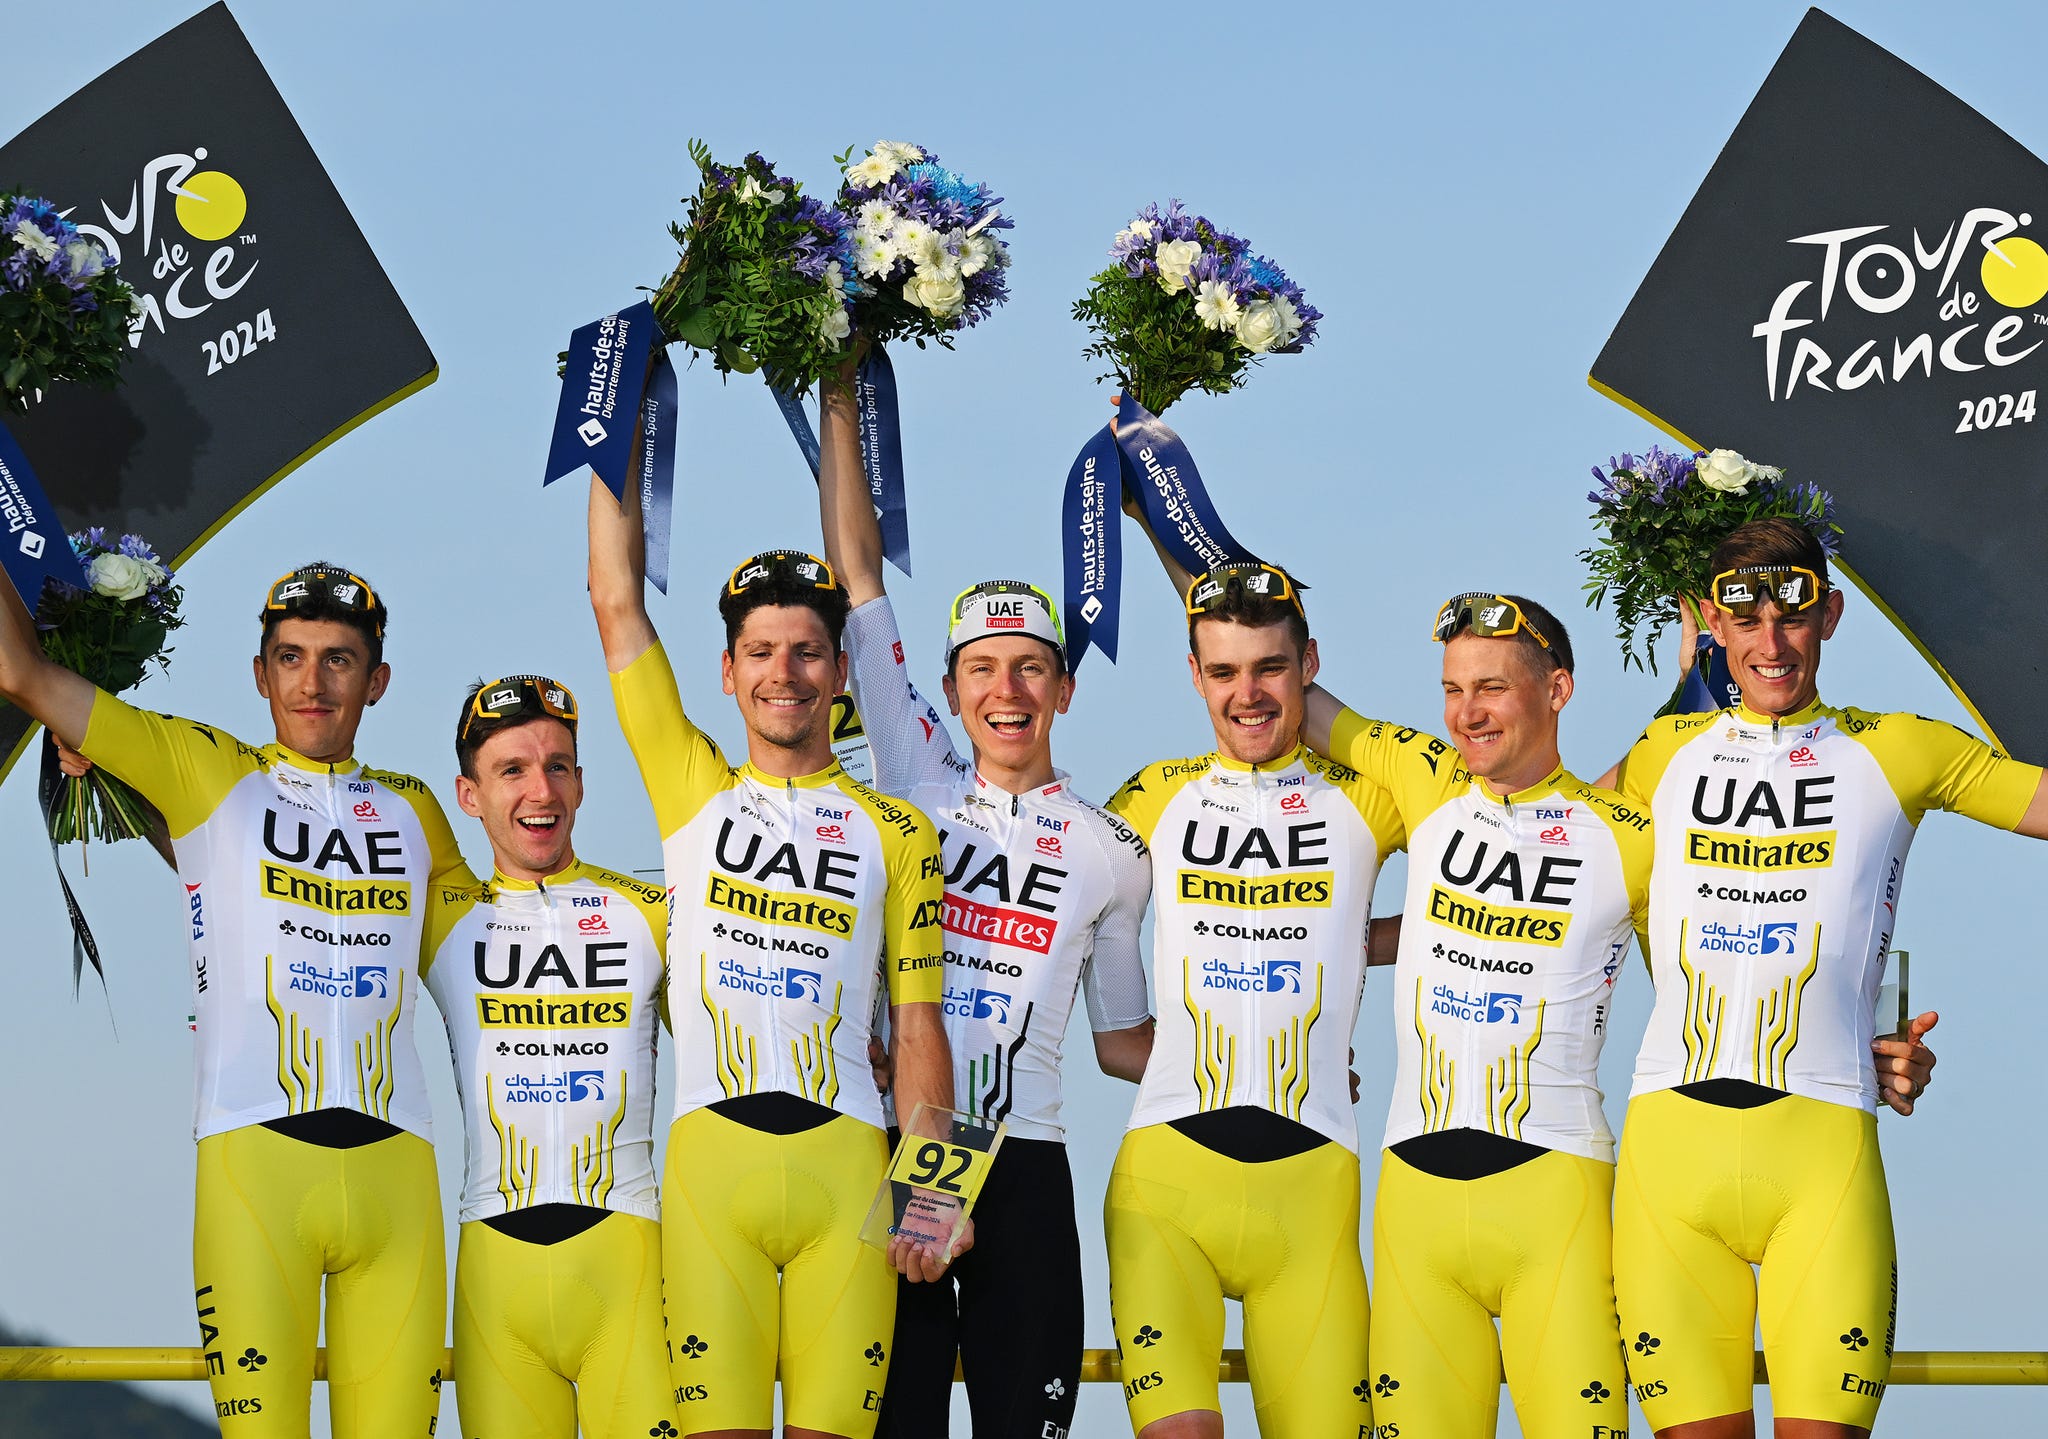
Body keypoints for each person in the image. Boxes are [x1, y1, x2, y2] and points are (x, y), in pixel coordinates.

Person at [1606, 517, 2048, 1439]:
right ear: (1710, 627)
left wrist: (1876, 1029)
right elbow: (1517, 848)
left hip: (1823, 1160)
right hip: (1668, 1160)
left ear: (1831, 614)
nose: (1772, 642)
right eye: (1747, 618)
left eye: (1794, 614)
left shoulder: (1899, 747)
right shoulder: (1660, 757)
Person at [0, 562, 460, 1437]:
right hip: (256, 1171)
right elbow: (20, 671)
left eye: (338, 660)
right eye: (290, 658)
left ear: (378, 681)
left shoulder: (417, 811)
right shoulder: (204, 767)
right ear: (260, 673)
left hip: (399, 1179)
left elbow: (505, 939)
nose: (312, 682)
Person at [814, 369, 1154, 1439]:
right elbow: (855, 574)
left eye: (1029, 670)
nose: (1005, 692)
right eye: (981, 672)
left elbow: (1126, 1041)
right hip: (913, 1137)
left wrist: (1292, 1033)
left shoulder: (1111, 851)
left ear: (1062, 687)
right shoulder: (916, 777)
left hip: (1031, 1160)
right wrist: (836, 373)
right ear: (951, 691)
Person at [584, 475, 960, 1439]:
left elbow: (919, 1026)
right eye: (760, 652)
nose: (782, 672)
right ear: (726, 670)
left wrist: (937, 1196)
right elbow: (615, 598)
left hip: (847, 1168)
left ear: (839, 671)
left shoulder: (898, 832)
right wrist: (616, 401)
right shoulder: (691, 786)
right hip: (713, 1165)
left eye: (805, 652)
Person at [1102, 561, 1399, 1439]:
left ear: (1310, 664)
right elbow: (1032, 946)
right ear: (1194, 675)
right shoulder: (1151, 798)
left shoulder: (1369, 797)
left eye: (1270, 667)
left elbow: (1529, 852)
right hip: (1165, 1186)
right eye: (1224, 672)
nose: (1248, 694)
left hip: (1312, 1194)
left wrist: (1357, 948)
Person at [420, 673, 678, 1439]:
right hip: (496, 1270)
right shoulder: (442, 911)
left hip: (627, 1258)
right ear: (469, 795)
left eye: (558, 764)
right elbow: (256, 884)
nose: (542, 789)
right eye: (513, 769)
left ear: (581, 782)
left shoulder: (652, 913)